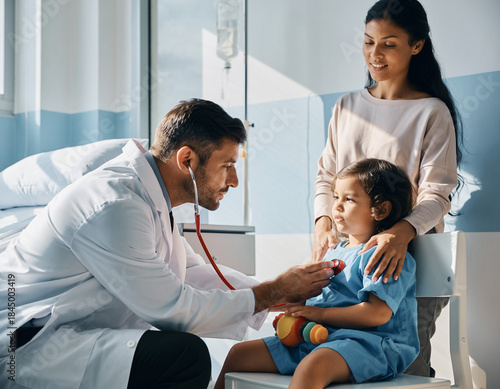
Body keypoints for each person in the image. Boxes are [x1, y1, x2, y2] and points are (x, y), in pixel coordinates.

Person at [0, 99, 336, 389]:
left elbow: (189, 273)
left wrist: (277, 293)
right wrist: (271, 292)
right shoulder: (114, 205)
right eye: (228, 166)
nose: (233, 181)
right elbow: (173, 309)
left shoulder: (151, 199)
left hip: (74, 329)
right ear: (187, 160)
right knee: (182, 357)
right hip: (30, 342)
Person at [312, 0, 462, 377]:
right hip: (351, 259)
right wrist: (322, 221)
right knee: (339, 362)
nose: (374, 55)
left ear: (417, 46)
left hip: (414, 259)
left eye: (389, 44)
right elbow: (326, 176)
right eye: (367, 42)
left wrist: (399, 232)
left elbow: (437, 192)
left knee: (404, 371)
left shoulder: (431, 112)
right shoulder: (346, 107)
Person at [215, 158, 418, 388]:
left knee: (313, 367)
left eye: (349, 199)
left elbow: (377, 314)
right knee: (238, 354)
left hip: (373, 344)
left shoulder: (386, 254)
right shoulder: (334, 251)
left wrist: (320, 314)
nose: (337, 207)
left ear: (380, 209)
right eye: (336, 197)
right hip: (322, 338)